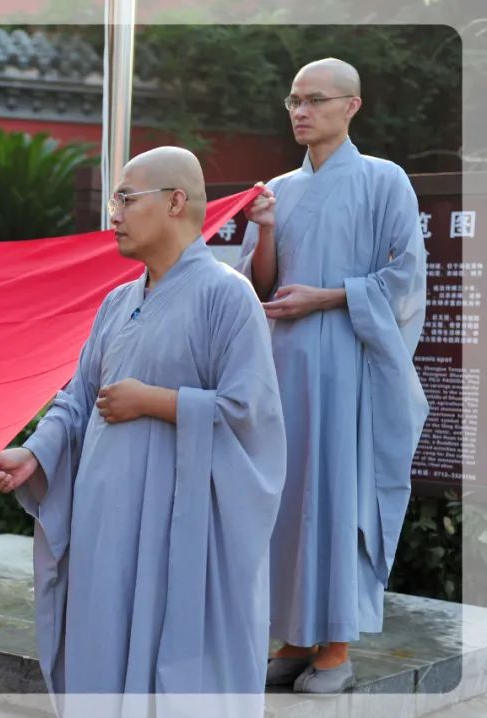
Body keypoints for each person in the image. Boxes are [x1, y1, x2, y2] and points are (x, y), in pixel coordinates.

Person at [0, 147, 285, 716]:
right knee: (104, 640)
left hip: (179, 524)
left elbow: (252, 415)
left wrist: (160, 402)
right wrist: (35, 452)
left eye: (125, 198)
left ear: (175, 202)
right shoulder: (117, 302)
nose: (113, 213)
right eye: (112, 199)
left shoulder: (226, 295)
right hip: (107, 520)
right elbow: (76, 400)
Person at [238, 58, 428, 693]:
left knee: (339, 496)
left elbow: (404, 276)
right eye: (292, 100)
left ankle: (336, 650)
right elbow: (258, 286)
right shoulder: (281, 190)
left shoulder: (384, 180)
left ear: (352, 106)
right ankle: (293, 638)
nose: (300, 111)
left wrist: (328, 297)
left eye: (314, 99)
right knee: (287, 498)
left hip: (349, 366)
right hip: (285, 368)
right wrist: (264, 230)